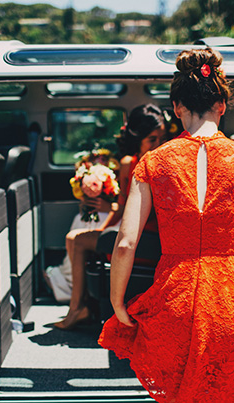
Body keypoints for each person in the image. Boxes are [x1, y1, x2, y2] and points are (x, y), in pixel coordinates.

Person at [99, 48, 234, 402]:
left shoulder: (152, 162)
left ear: (177, 107)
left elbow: (124, 243)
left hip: (175, 299)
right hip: (232, 300)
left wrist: (117, 302)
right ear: (222, 105)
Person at [52, 104, 166, 330]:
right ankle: (83, 305)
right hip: (135, 235)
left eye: (162, 139)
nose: (159, 145)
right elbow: (122, 207)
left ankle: (77, 309)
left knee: (79, 240)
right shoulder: (128, 164)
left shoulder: (161, 166)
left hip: (151, 240)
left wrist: (103, 235)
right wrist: (102, 231)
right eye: (152, 140)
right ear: (137, 140)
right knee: (75, 237)